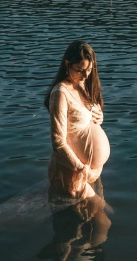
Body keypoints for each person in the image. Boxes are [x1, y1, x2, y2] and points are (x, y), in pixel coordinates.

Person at [44, 41, 110, 200]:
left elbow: (81, 121)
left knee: (100, 221)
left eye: (89, 69)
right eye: (80, 70)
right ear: (68, 64)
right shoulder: (60, 93)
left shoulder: (84, 84)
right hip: (72, 176)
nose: (86, 75)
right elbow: (58, 142)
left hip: (90, 173)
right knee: (104, 222)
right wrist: (82, 170)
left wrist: (99, 117)